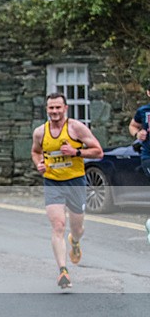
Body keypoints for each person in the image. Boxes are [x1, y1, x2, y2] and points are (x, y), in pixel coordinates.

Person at [31, 92, 103, 289]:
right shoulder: (40, 132)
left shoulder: (76, 128)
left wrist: (76, 152)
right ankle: (63, 271)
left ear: (65, 109)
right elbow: (36, 152)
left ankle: (75, 241)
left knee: (77, 228)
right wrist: (39, 164)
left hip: (76, 182)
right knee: (58, 225)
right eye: (51, 108)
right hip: (53, 183)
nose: (54, 111)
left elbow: (98, 151)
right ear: (47, 109)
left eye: (58, 107)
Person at [128, 81, 150, 179]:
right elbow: (132, 126)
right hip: (148, 155)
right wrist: (137, 134)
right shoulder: (143, 111)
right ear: (148, 93)